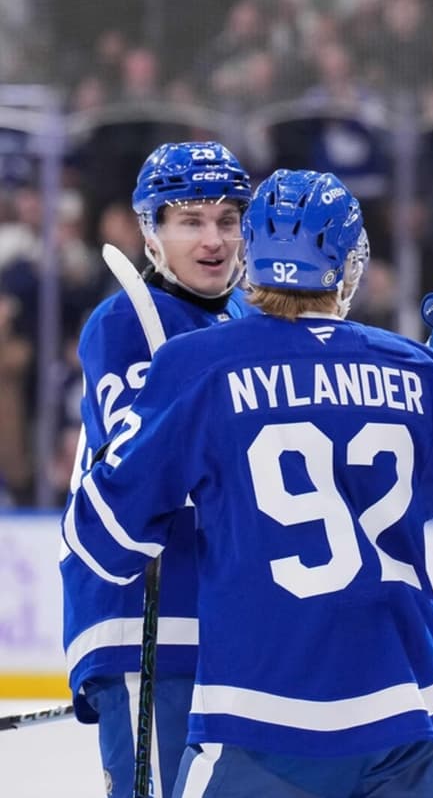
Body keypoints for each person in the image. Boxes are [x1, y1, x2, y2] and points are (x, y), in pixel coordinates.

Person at [62, 168, 433, 797]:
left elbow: (104, 541)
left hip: (260, 715)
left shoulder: (199, 367)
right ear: (349, 267)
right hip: (405, 713)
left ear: (252, 259)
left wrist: (130, 440)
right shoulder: (415, 369)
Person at [60, 140, 254, 798]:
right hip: (146, 612)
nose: (213, 238)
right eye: (190, 221)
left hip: (225, 618)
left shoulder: (241, 318)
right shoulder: (124, 321)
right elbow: (139, 470)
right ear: (151, 231)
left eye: (227, 219)